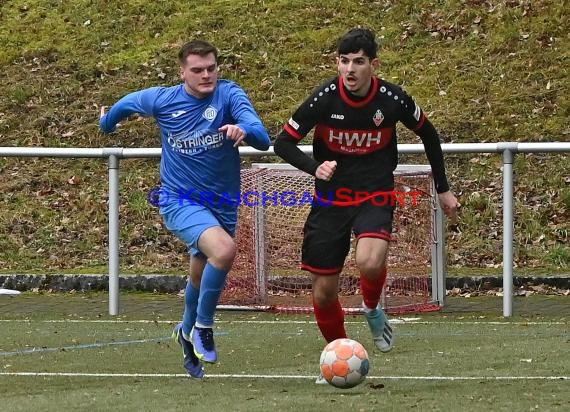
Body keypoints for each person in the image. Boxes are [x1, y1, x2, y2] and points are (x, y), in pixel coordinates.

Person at [274, 27, 459, 383]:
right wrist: (316, 167)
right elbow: (283, 142)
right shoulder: (324, 99)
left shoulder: (392, 99)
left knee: (369, 262)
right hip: (331, 199)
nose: (350, 69)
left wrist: (443, 188)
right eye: (344, 61)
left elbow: (429, 133)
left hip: (375, 192)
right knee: (325, 292)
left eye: (359, 62)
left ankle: (372, 308)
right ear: (337, 63)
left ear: (373, 64)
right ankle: (340, 354)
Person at [100, 39, 271, 379]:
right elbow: (125, 104)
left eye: (211, 68)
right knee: (223, 251)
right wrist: (107, 124)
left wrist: (244, 130)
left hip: (222, 203)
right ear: (183, 73)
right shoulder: (163, 99)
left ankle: (185, 331)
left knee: (201, 271)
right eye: (197, 70)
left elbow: (262, 137)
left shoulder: (229, 95)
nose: (206, 75)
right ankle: (203, 328)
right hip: (179, 199)